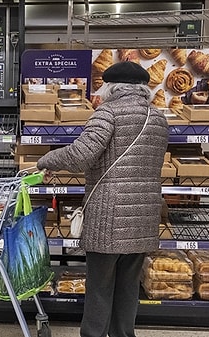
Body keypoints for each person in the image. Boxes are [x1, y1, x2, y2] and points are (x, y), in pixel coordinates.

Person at [36, 61, 169, 337]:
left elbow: (80, 155)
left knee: (99, 287)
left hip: (109, 216)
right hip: (142, 217)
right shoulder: (157, 118)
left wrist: (46, 160)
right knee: (128, 287)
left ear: (110, 87)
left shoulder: (107, 113)